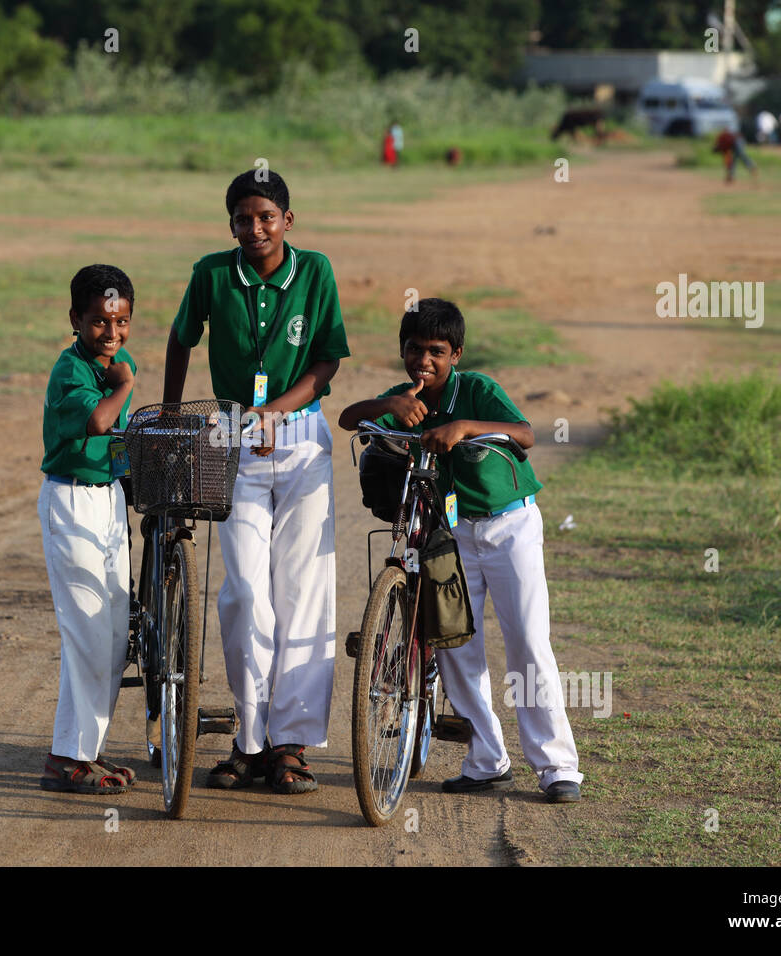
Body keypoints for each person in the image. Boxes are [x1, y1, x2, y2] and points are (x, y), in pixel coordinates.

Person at [337, 298, 583, 804]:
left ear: (457, 354)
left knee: (528, 644)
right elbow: (346, 417)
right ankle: (487, 760)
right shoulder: (405, 395)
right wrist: (390, 407)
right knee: (454, 644)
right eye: (414, 350)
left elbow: (527, 435)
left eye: (436, 351)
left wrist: (465, 427)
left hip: (509, 524)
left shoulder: (476, 389)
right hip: (451, 534)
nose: (423, 361)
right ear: (402, 351)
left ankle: (557, 767)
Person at [162, 170, 349, 794]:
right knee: (244, 593)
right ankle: (249, 738)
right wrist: (168, 416)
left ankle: (290, 744)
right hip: (230, 437)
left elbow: (326, 362)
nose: (254, 228)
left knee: (302, 590)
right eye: (243, 218)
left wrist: (279, 408)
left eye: (266, 216)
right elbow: (180, 337)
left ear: (287, 220)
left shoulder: (315, 271)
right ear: (231, 224)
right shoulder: (212, 273)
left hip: (300, 441)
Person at [38, 264, 139, 794]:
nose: (112, 334)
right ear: (76, 319)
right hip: (71, 500)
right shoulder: (71, 370)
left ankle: (86, 751)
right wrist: (123, 384)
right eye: (100, 322)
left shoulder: (118, 362)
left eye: (121, 322)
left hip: (108, 500)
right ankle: (66, 757)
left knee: (114, 634)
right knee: (85, 631)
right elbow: (100, 422)